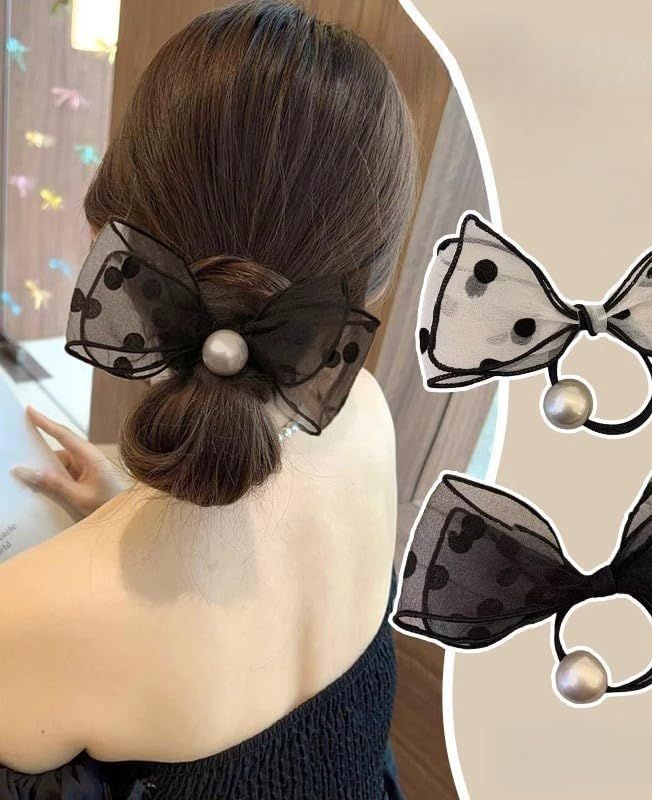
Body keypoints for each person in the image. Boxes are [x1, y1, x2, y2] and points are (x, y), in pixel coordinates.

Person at [0, 2, 417, 797]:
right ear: (372, 273)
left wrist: (109, 554)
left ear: (108, 242)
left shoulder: (30, 617)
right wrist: (124, 516)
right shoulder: (363, 413)